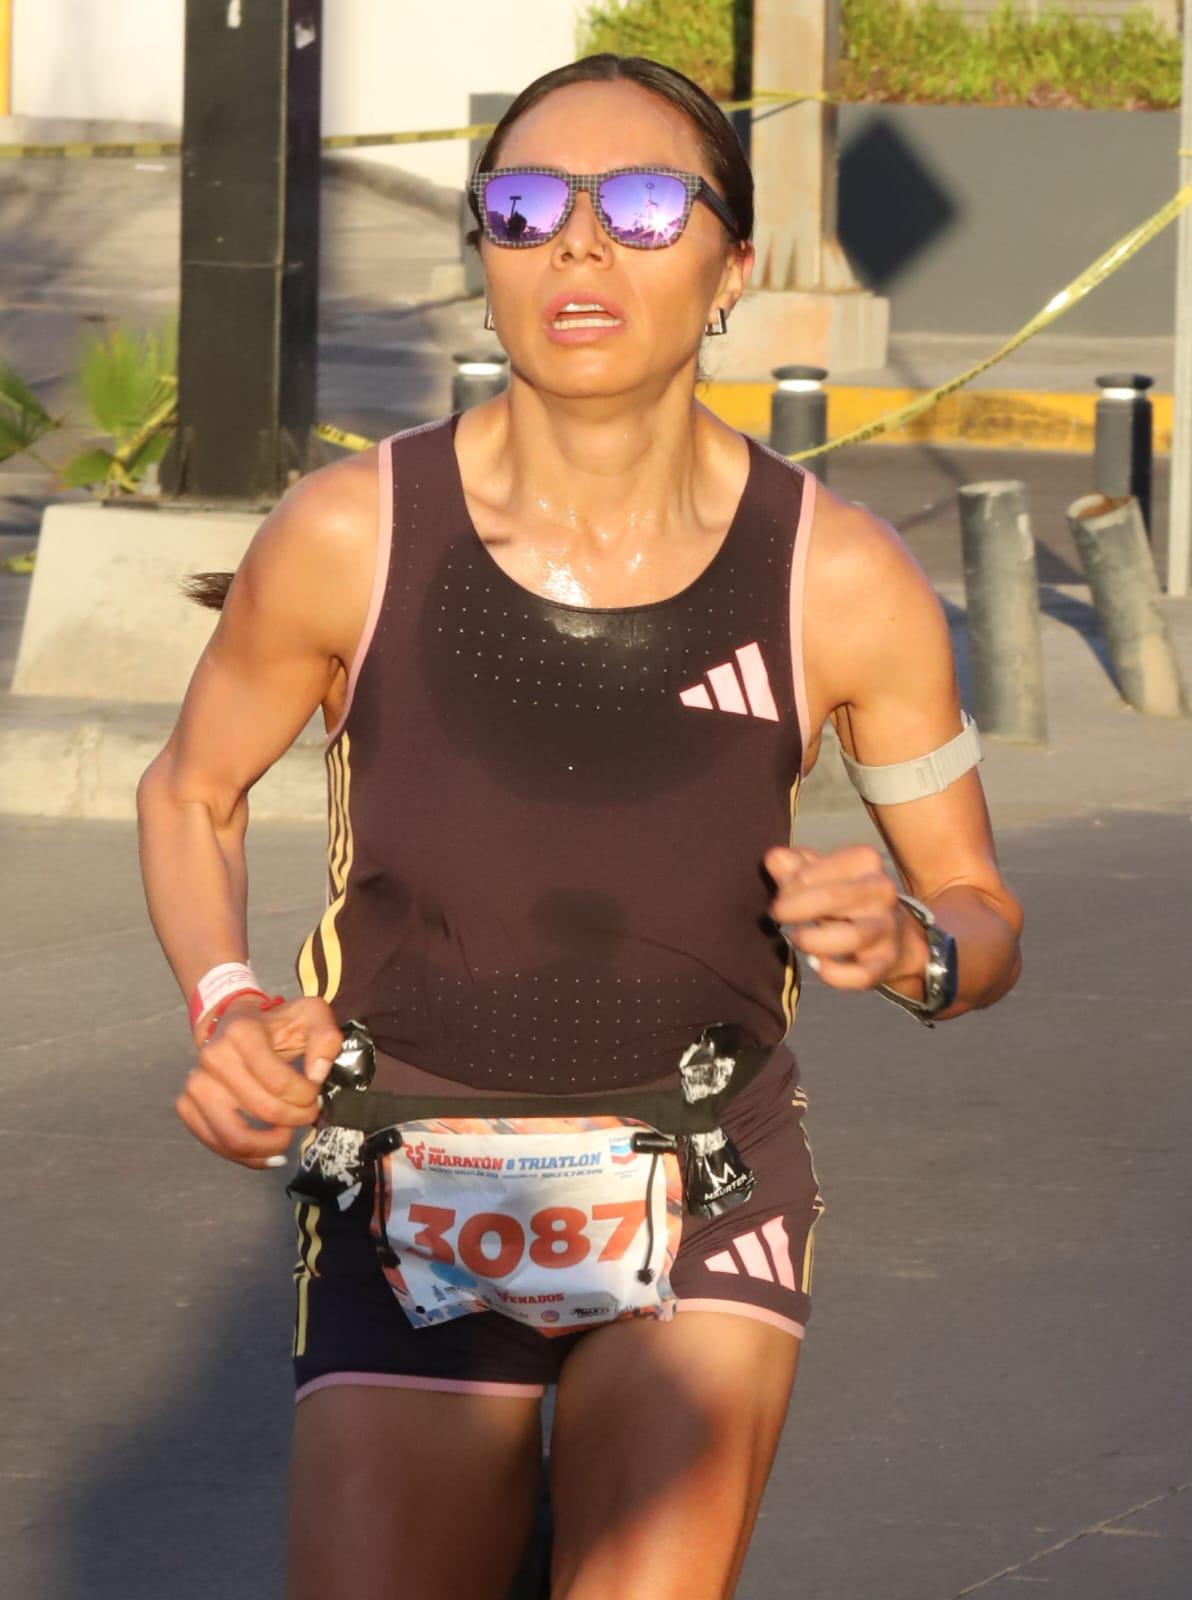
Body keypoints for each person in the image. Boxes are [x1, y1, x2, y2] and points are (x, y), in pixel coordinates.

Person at [136, 53, 1023, 1600]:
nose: (582, 245)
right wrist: (224, 1005)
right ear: (485, 253)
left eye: (647, 205)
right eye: (529, 207)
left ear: (732, 267)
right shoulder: (349, 535)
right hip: (404, 1176)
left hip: (709, 1182)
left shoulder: (841, 578)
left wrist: (913, 948)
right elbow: (189, 791)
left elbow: (981, 917)